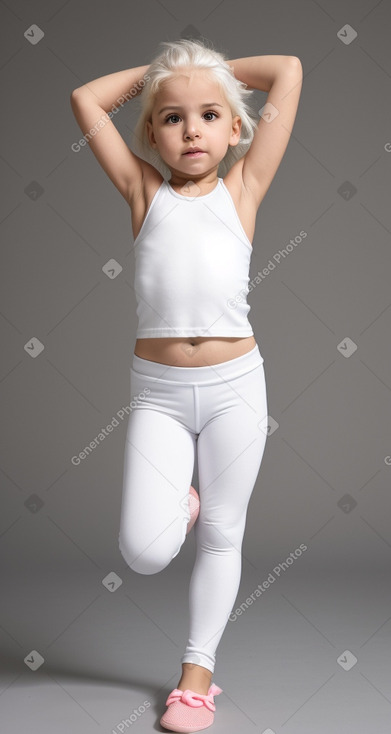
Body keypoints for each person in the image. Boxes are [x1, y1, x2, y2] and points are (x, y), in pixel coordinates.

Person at [70, 38, 302, 732]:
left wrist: (201, 72)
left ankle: (195, 677)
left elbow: (286, 72)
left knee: (223, 536)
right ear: (151, 134)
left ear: (236, 130)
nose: (191, 129)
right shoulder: (142, 190)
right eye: (171, 117)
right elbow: (86, 98)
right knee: (143, 553)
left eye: (208, 115)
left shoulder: (244, 187)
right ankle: (184, 501)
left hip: (237, 385)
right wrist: (164, 74)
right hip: (159, 394)